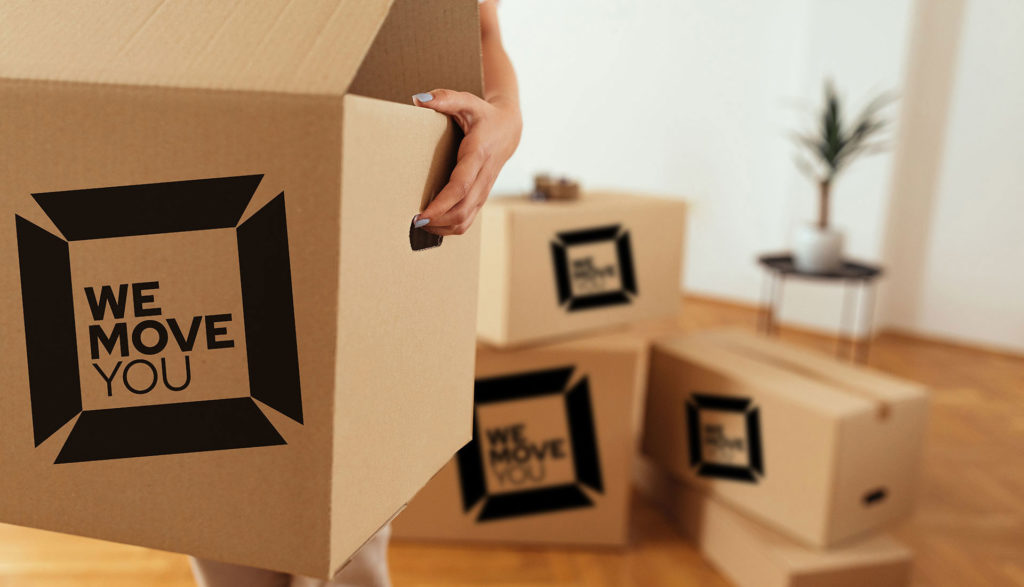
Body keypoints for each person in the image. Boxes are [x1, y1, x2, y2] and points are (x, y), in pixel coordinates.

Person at [191, 1, 520, 585]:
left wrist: (502, 122)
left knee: (351, 551)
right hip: (204, 214)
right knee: (223, 531)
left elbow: (481, 24)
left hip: (371, 225)